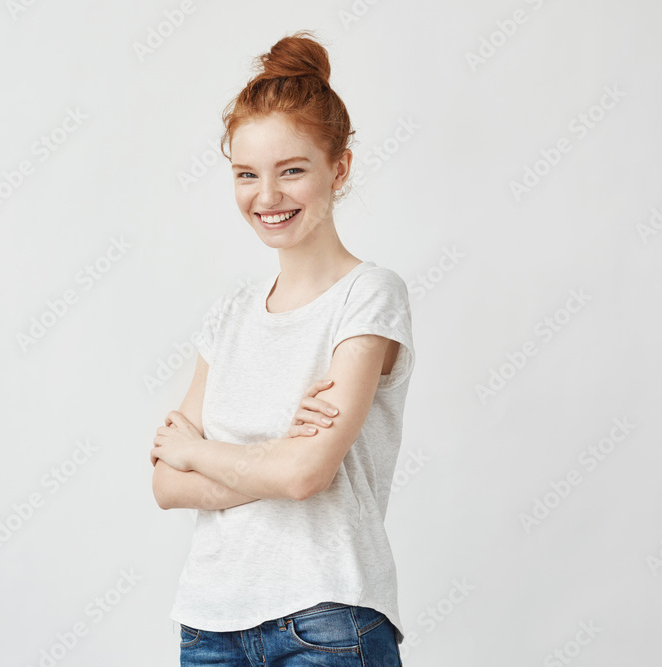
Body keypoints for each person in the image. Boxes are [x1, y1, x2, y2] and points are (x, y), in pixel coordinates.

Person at [150, 30, 415, 666]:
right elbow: (164, 483)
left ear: (339, 168)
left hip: (326, 620)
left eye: (291, 170)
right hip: (209, 624)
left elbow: (306, 474)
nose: (266, 197)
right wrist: (270, 458)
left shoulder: (369, 297)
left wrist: (201, 453)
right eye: (247, 174)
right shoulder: (229, 316)